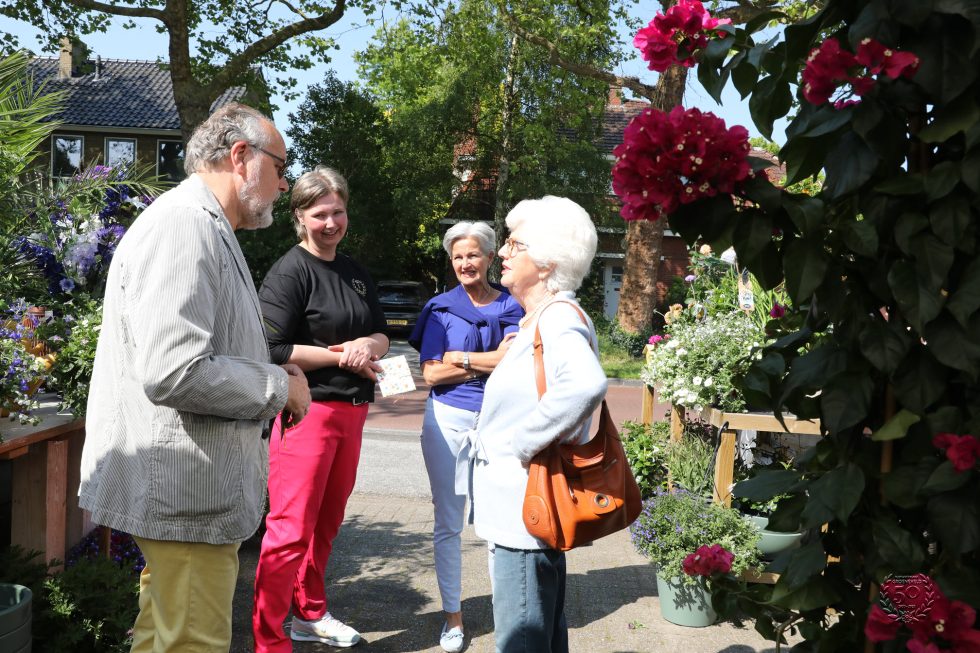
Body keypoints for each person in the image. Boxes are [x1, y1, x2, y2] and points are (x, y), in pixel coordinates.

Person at [78, 103, 312, 653]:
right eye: (281, 167)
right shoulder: (186, 225)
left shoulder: (198, 222)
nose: (284, 185)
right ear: (241, 156)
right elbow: (174, 371)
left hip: (185, 492)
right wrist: (280, 387)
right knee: (190, 643)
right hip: (186, 494)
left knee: (162, 637)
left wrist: (269, 370)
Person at [252, 166, 390, 652]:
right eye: (320, 214)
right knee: (290, 530)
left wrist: (367, 345)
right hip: (306, 412)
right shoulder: (290, 271)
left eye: (338, 212)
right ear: (299, 216)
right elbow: (270, 348)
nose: (331, 223)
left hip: (353, 412)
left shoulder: (353, 272)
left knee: (327, 524)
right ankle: (268, 639)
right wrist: (340, 356)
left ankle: (309, 615)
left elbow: (382, 331)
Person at [471, 196, 607, 653]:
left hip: (524, 514)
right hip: (526, 510)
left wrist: (523, 442)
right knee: (541, 635)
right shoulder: (544, 319)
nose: (502, 252)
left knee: (522, 639)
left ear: (547, 263)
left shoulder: (557, 318)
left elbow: (586, 383)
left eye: (515, 244)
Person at [407, 221, 523, 653]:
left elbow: (516, 362)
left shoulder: (513, 305)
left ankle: (506, 615)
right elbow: (432, 374)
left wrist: (460, 357)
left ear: (490, 257)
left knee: (499, 521)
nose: (465, 263)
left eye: (472, 254)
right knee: (448, 523)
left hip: (499, 420)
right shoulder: (439, 308)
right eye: (457, 257)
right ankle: (453, 617)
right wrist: (486, 361)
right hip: (447, 420)